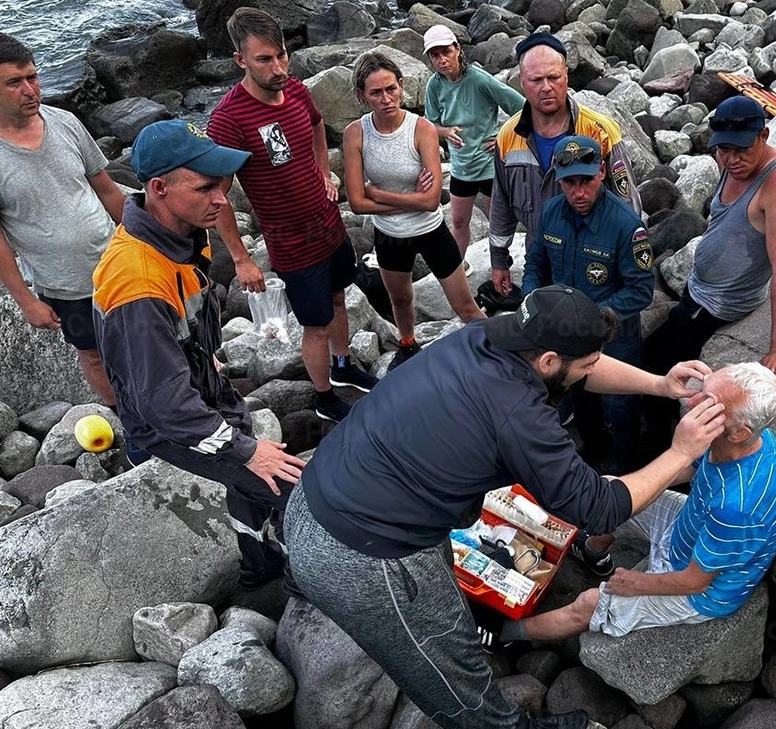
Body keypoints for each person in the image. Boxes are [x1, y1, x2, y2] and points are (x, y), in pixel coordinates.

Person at [285, 285, 726, 729]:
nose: (592, 368)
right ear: (549, 361)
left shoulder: (483, 335)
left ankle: (303, 581)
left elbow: (582, 365)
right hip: (364, 558)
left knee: (426, 586)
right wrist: (681, 453)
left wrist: (658, 385)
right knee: (449, 661)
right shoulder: (519, 413)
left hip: (313, 493)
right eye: (588, 362)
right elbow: (600, 509)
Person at [92, 120, 305, 591]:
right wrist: (245, 451)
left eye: (222, 185)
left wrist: (201, 357)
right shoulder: (137, 280)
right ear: (159, 188)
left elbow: (183, 322)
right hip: (169, 423)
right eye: (206, 186)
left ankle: (258, 561)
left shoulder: (184, 230)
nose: (221, 199)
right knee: (288, 487)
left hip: (201, 389)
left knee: (260, 474)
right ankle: (301, 577)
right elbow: (163, 405)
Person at [499, 363, 776, 643]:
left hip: (700, 588)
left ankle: (503, 633)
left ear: (739, 431)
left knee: (588, 603)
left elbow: (695, 581)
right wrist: (643, 485)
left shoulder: (737, 507)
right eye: (701, 389)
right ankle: (594, 553)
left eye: (708, 402)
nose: (692, 403)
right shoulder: (745, 437)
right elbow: (688, 467)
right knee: (615, 493)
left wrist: (637, 583)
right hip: (691, 525)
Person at [207, 7, 377, 423]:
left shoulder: (298, 91)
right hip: (291, 242)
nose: (279, 67)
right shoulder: (229, 119)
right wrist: (242, 259)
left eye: (282, 55)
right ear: (240, 61)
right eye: (265, 59)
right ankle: (324, 398)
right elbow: (215, 196)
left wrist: (324, 171)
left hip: (329, 226)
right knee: (315, 323)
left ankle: (342, 365)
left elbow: (318, 127)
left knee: (339, 297)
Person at [643, 96, 776, 449]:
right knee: (657, 357)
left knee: (654, 363)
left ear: (763, 135)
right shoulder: (732, 165)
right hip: (697, 291)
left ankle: (659, 448)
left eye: (740, 150)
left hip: (718, 305)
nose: (731, 159)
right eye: (723, 150)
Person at [0, 33, 123, 406]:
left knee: (158, 338)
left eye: (33, 78)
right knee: (93, 355)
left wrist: (145, 240)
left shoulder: (65, 122)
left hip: (117, 263)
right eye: (14, 82)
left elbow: (106, 188)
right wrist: (26, 301)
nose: (30, 89)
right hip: (65, 287)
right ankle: (133, 419)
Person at [343, 51, 485, 372]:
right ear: (362, 96)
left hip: (431, 231)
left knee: (465, 305)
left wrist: (378, 193)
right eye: (376, 92)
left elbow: (431, 201)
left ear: (401, 86)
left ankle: (496, 350)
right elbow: (356, 203)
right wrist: (406, 198)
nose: (386, 99)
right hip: (390, 236)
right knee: (402, 301)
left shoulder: (421, 128)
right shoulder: (356, 133)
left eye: (391, 89)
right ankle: (408, 346)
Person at [522, 135, 653, 476]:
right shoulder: (550, 212)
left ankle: (627, 476)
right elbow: (535, 264)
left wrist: (591, 318)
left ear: (603, 173)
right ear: (558, 180)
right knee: (579, 400)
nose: (579, 193)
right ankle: (591, 459)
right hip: (564, 336)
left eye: (586, 181)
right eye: (570, 183)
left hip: (613, 340)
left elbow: (640, 291)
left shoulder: (627, 225)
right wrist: (533, 303)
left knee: (621, 410)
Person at [487, 33, 642, 298]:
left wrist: (627, 268)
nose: (546, 87)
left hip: (596, 265)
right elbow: (501, 202)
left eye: (553, 77)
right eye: (536, 80)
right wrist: (499, 259)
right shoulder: (508, 135)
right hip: (542, 261)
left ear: (566, 77)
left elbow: (628, 206)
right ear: (522, 82)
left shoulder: (600, 131)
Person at [422, 25, 524, 275]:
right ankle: (458, 268)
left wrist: (503, 136)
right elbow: (428, 126)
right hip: (461, 167)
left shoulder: (479, 79)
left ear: (458, 49)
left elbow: (521, 108)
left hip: (489, 165)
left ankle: (503, 265)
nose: (442, 60)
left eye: (446, 51)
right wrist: (445, 132)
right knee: (458, 221)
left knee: (497, 220)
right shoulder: (434, 86)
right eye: (435, 55)